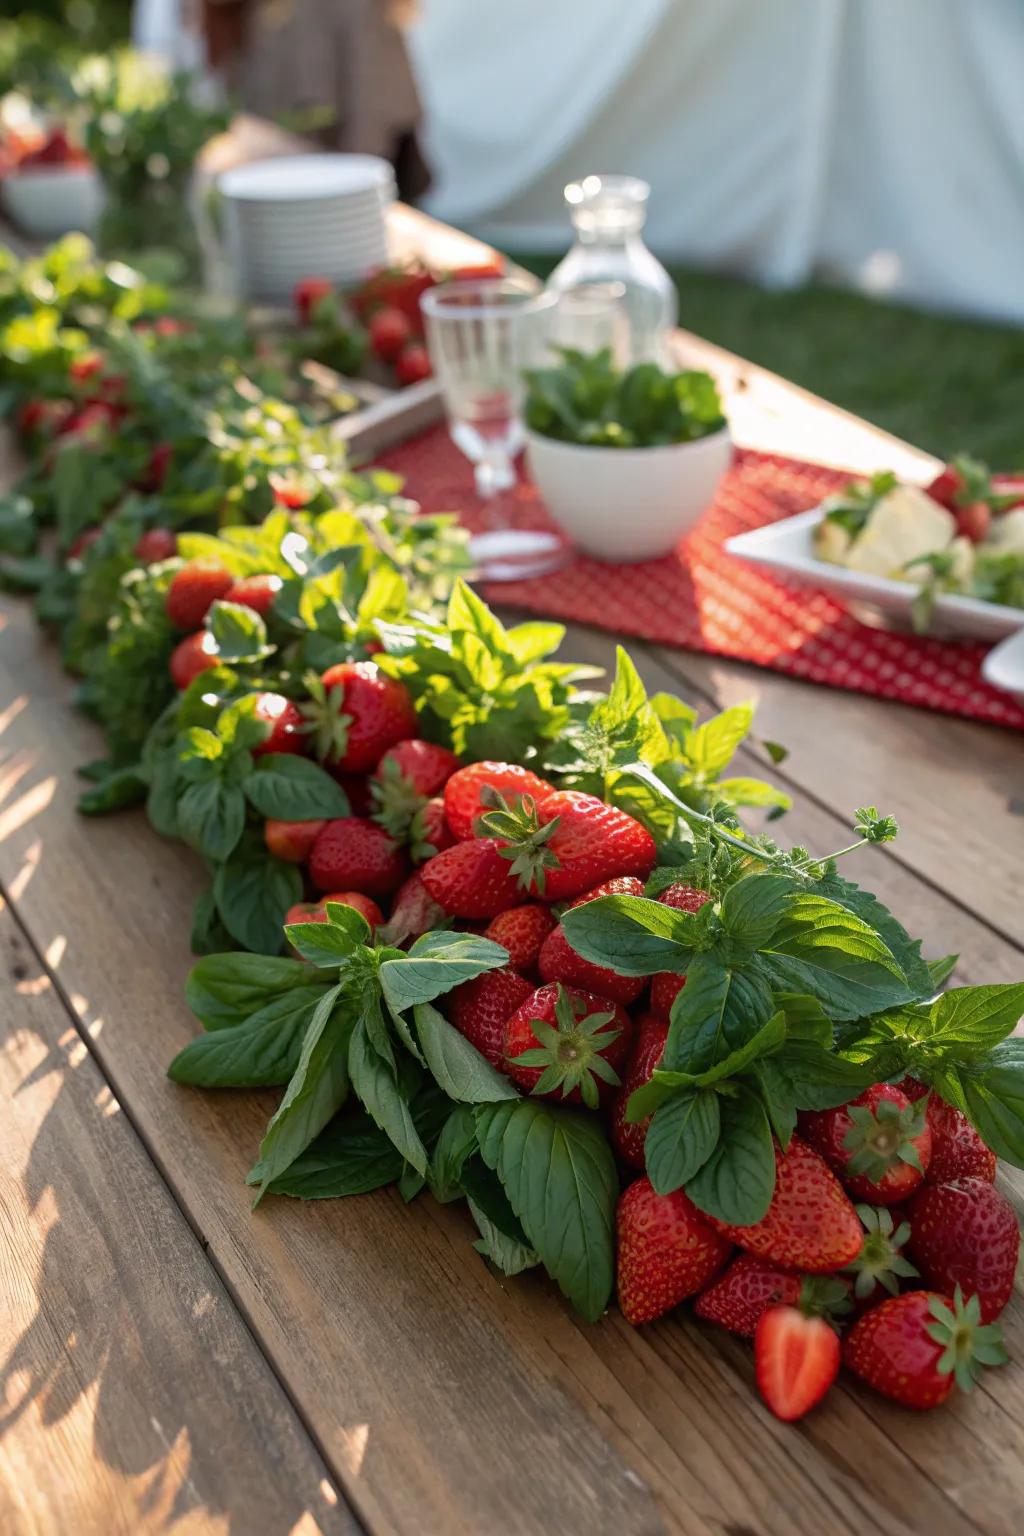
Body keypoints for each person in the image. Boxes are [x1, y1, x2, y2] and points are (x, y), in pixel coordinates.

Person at [201, 0, 430, 199]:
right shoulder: (261, 10)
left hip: (344, 182)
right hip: (292, 176)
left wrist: (355, 187)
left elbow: (371, 109)